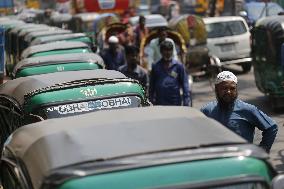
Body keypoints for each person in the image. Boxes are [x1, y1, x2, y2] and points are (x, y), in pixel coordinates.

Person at [200, 71, 278, 153]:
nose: (228, 92)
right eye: (224, 88)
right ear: (216, 89)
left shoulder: (247, 109)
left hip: (242, 160)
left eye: (232, 88)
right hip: (217, 160)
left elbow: (271, 127)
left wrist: (262, 151)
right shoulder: (207, 111)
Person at [149, 41, 191, 106]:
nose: (168, 52)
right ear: (161, 52)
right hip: (160, 102)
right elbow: (151, 86)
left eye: (170, 50)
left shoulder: (178, 66)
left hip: (175, 102)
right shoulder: (156, 66)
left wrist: (186, 100)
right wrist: (151, 99)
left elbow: (185, 84)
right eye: (165, 50)